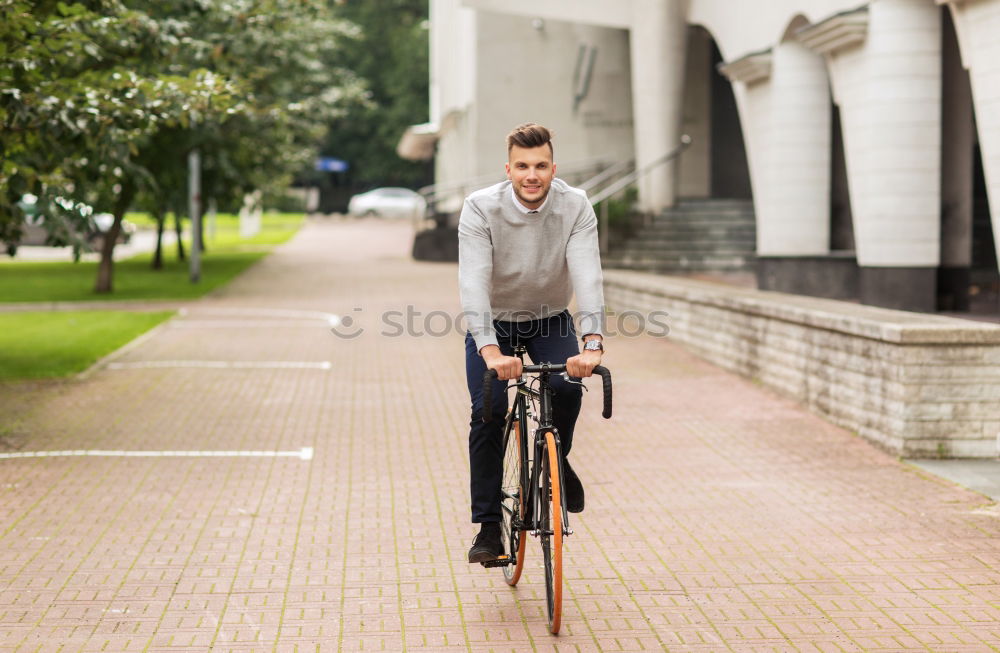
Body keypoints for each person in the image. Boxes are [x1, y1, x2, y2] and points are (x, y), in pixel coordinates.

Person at [458, 123, 605, 564]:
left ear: (553, 167)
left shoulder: (575, 205)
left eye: (541, 165)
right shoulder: (480, 207)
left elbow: (588, 274)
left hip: (549, 319)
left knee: (565, 388)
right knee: (488, 411)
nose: (532, 175)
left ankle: (556, 462)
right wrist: (489, 350)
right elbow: (473, 281)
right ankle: (487, 529)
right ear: (509, 169)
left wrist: (593, 343)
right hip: (494, 325)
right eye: (522, 166)